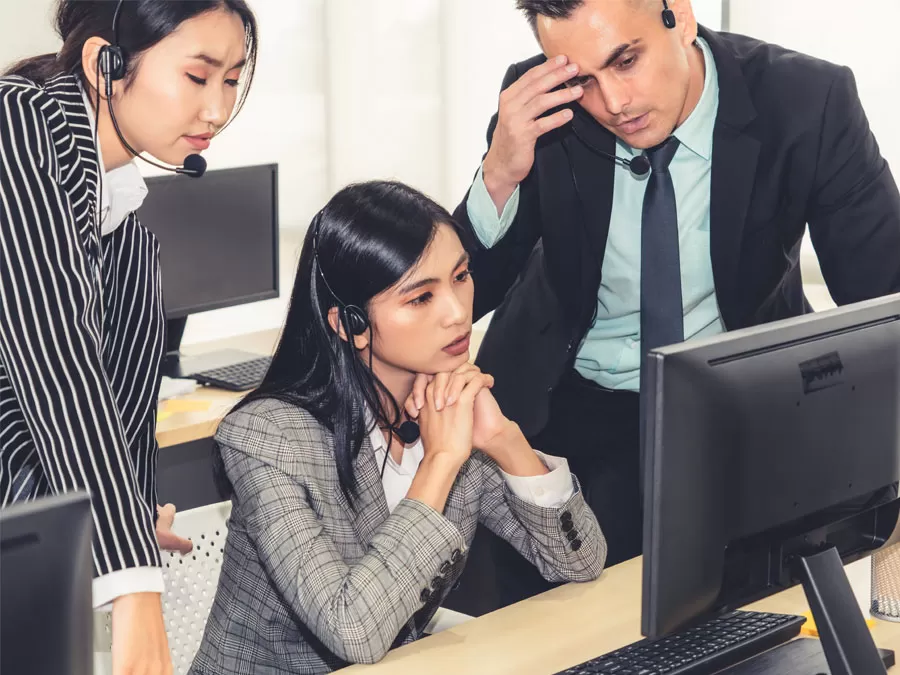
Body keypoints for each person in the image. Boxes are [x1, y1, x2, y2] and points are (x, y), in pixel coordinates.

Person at [453, 0, 900, 608]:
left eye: (626, 61)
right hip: (569, 413)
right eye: (583, 78)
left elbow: (883, 299)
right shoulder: (542, 103)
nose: (612, 102)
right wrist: (500, 171)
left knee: (745, 626)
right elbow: (463, 292)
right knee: (550, 633)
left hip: (738, 411)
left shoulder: (805, 99)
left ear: (680, 17)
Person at [189, 181, 607, 674]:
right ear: (350, 324)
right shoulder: (269, 439)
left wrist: (505, 441)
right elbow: (354, 631)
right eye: (421, 298)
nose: (457, 312)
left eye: (461, 277)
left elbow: (578, 562)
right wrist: (440, 461)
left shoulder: (447, 402)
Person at [0, 1, 257, 672]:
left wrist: (128, 512)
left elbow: (114, 411)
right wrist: (133, 579)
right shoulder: (18, 122)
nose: (217, 109)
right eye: (198, 76)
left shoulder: (128, 236)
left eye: (232, 79)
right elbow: (53, 359)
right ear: (104, 64)